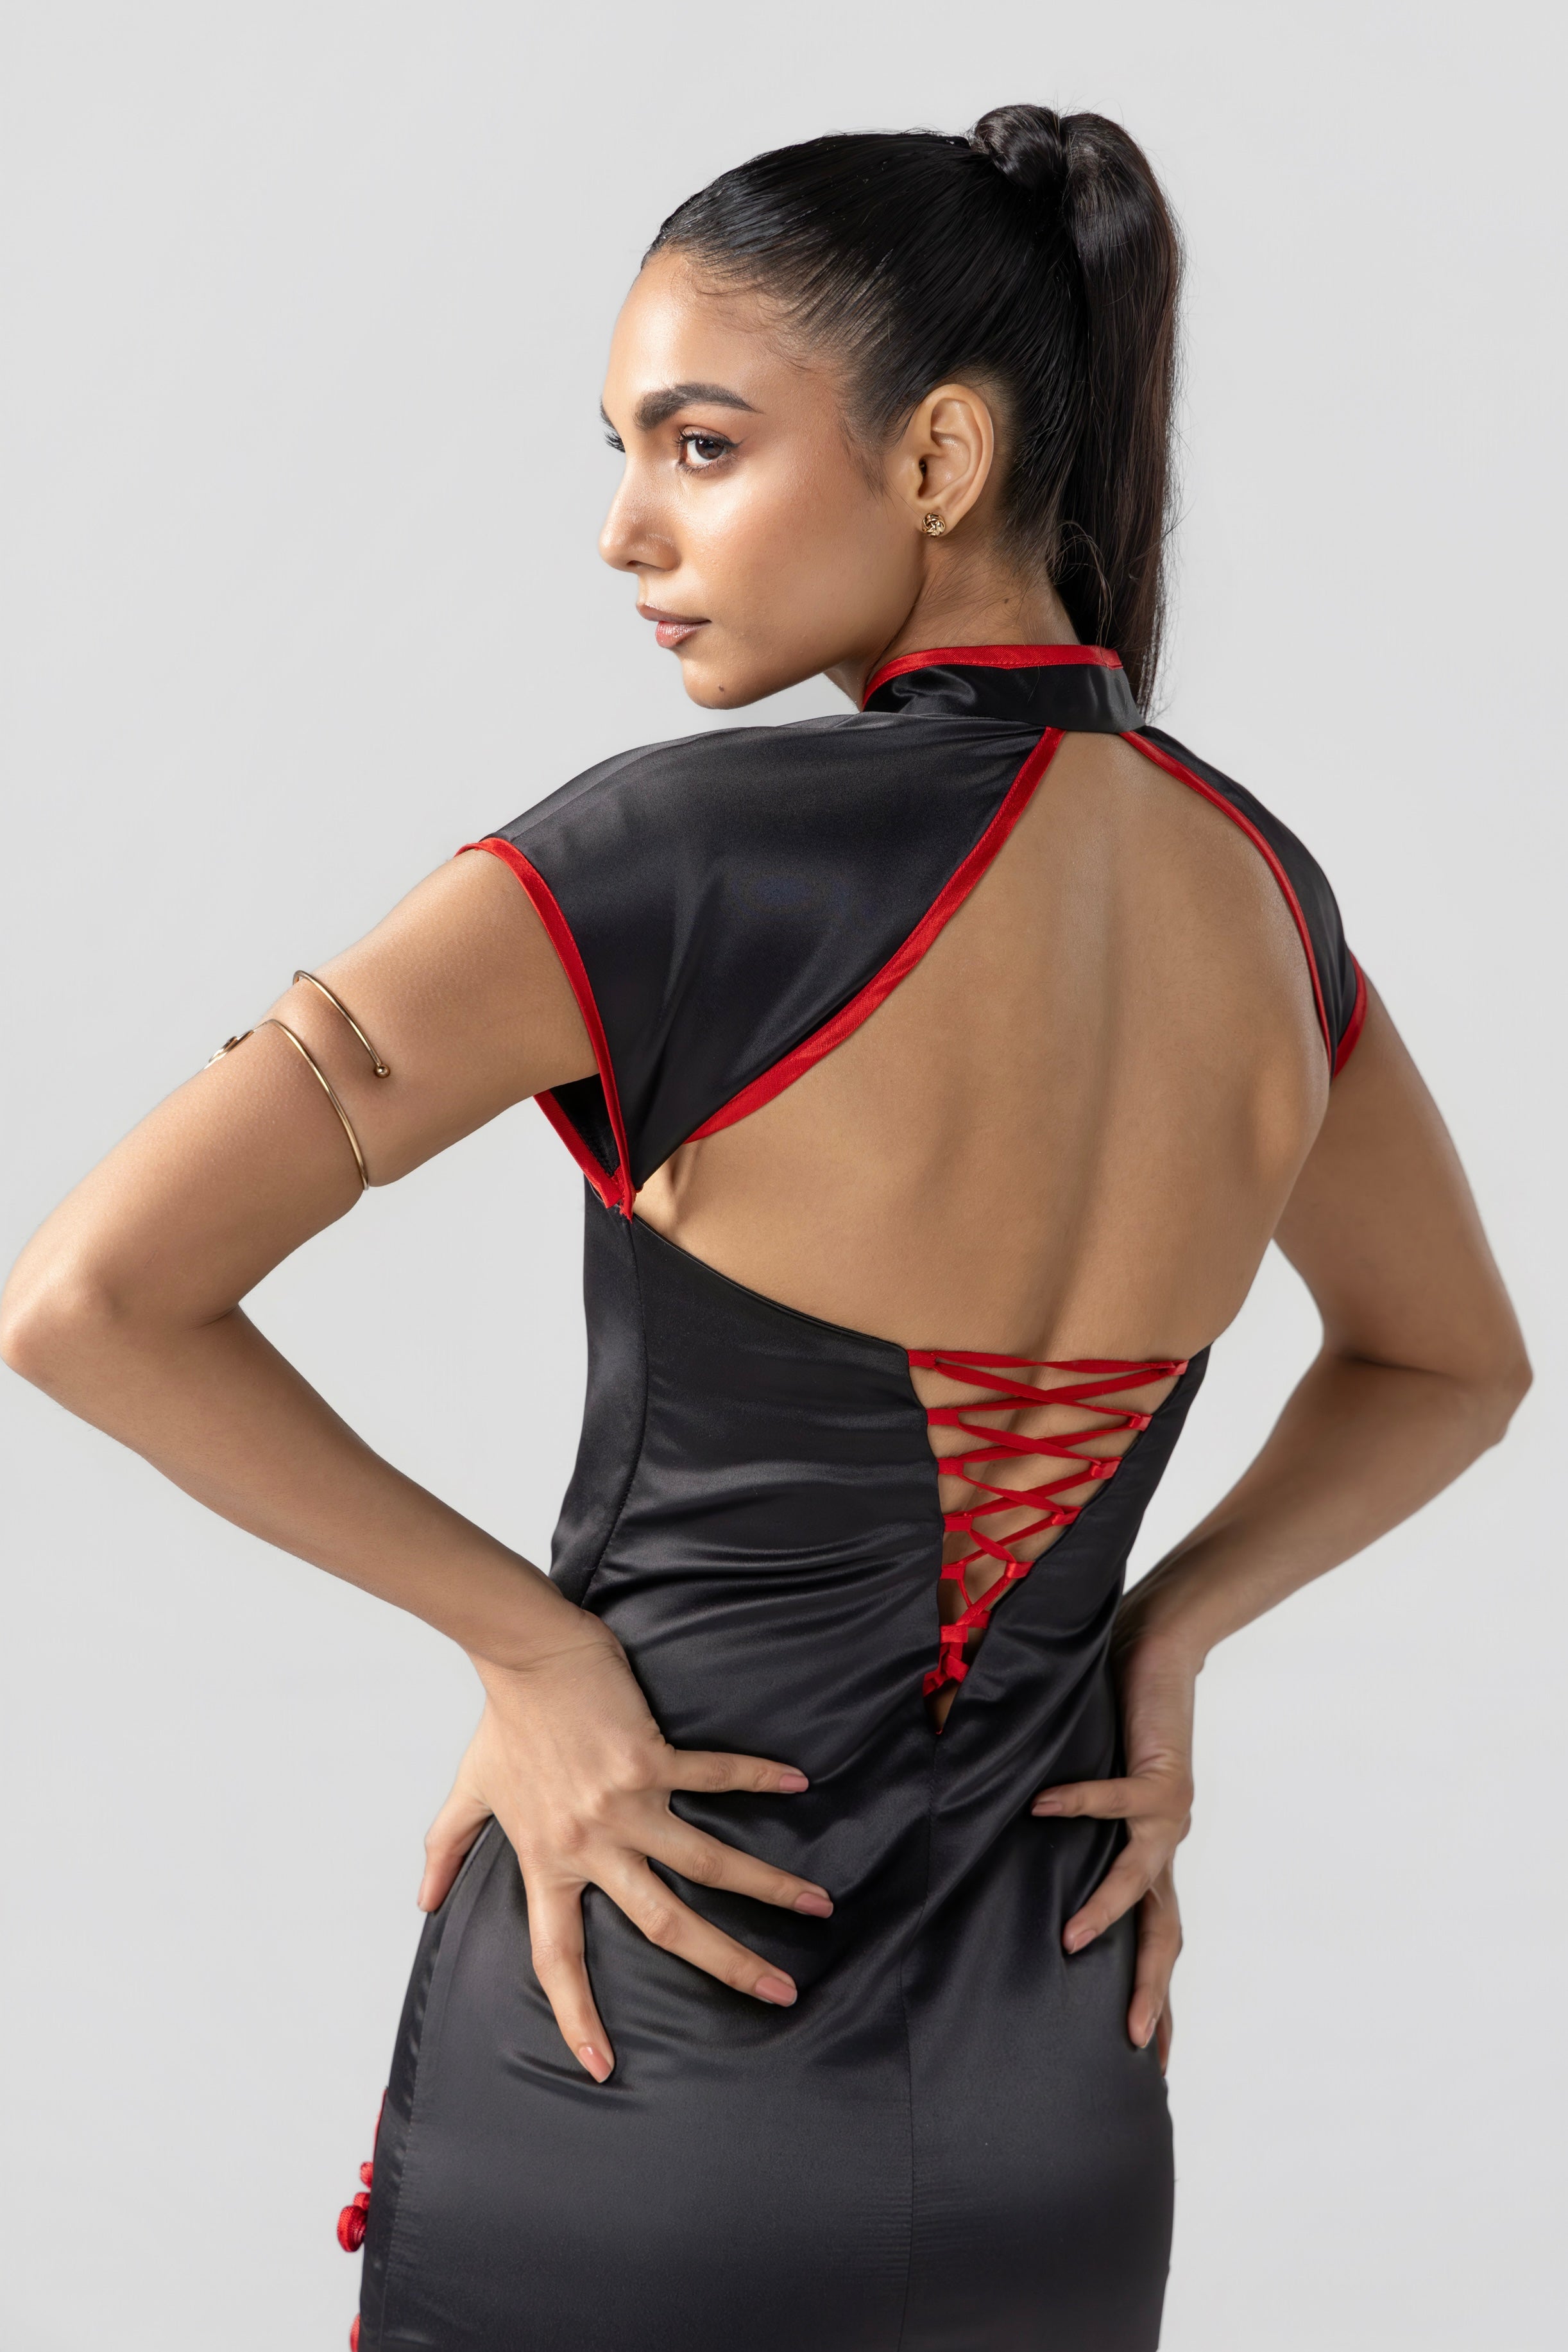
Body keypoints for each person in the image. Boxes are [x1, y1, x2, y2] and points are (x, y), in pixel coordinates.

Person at [1, 104, 1528, 2352]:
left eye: (700, 446)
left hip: (635, 2051)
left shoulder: (665, 860)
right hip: (1055, 2108)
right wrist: (1165, 1633)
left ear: (938, 457)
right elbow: (1451, 1359)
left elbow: (90, 1298)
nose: (626, 529)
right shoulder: (1264, 900)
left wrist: (530, 1654)